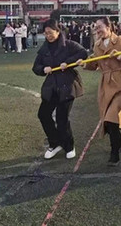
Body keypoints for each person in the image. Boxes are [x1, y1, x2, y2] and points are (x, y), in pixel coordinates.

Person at [32, 19, 88, 160]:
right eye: (45, 33)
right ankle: (55, 143)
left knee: (62, 119)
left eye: (50, 33)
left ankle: (69, 146)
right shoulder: (44, 49)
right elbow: (36, 67)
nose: (48, 36)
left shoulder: (68, 45)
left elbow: (83, 53)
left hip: (67, 86)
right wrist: (43, 69)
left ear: (58, 32)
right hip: (51, 87)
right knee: (43, 114)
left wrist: (68, 63)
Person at [84, 17, 121, 166]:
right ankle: (118, 141)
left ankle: (115, 153)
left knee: (110, 117)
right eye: (96, 28)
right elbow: (95, 64)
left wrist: (119, 55)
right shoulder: (97, 45)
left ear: (109, 27)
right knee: (108, 118)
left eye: (100, 27)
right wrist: (85, 63)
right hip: (105, 86)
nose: (98, 30)